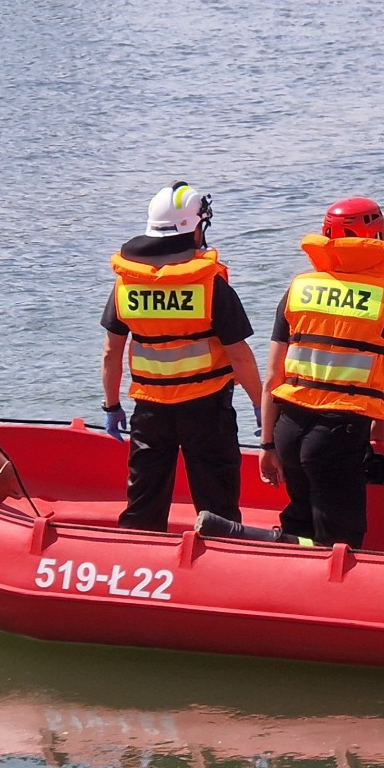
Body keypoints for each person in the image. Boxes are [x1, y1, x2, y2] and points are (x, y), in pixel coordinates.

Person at [102, 182, 264, 531]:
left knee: (144, 500)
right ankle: (223, 563)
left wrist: (112, 406)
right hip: (207, 409)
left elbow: (111, 352)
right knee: (217, 503)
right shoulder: (209, 283)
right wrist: (259, 403)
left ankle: (137, 561)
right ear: (194, 230)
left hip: (150, 410)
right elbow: (240, 355)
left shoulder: (127, 283)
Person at [257, 197, 384, 549]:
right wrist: (380, 432)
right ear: (378, 237)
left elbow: (273, 376)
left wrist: (267, 443)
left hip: (288, 428)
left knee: (300, 522)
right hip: (339, 434)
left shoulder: (299, 288)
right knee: (340, 541)